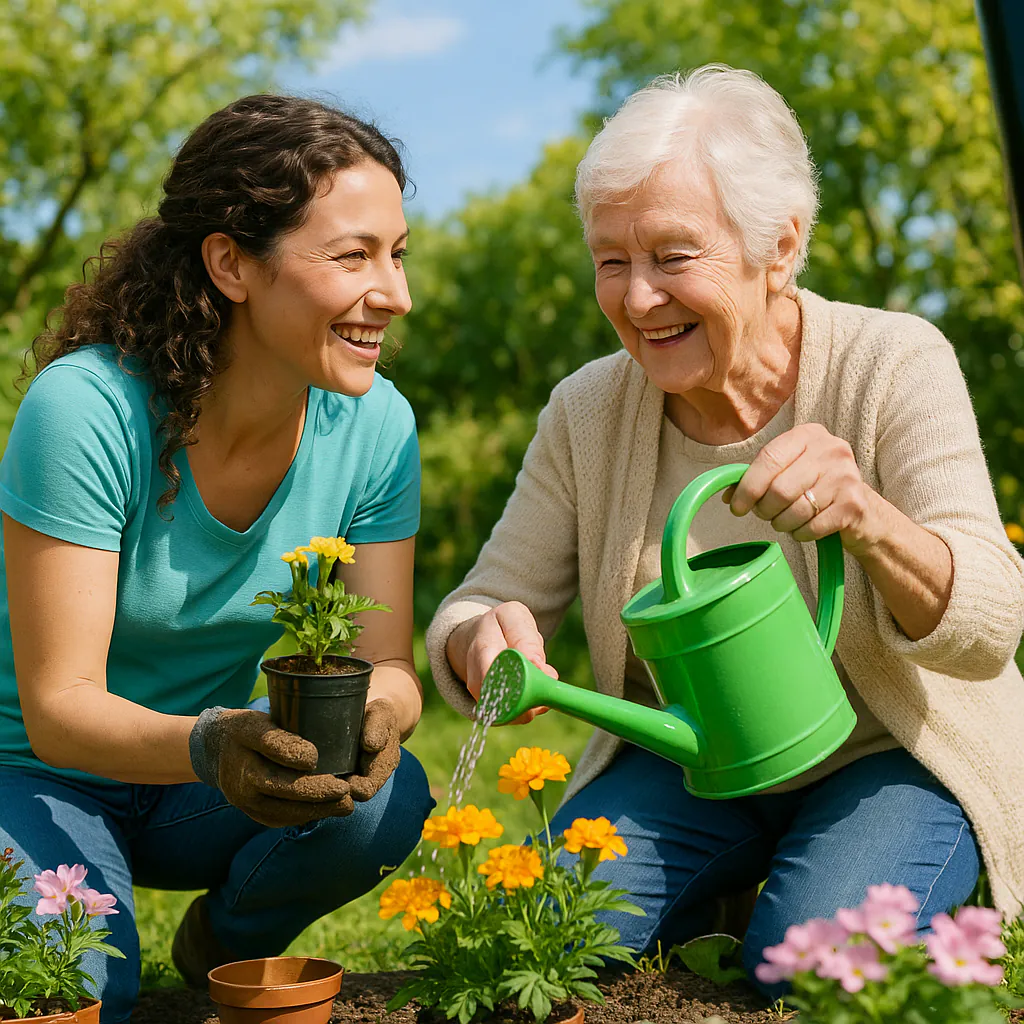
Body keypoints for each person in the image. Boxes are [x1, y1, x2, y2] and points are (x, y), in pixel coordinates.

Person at [426, 65, 1024, 991]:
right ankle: (727, 886)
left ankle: (899, 870)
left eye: (672, 257)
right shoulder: (587, 411)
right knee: (535, 936)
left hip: (893, 752)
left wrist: (868, 518)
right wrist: (478, 640)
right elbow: (482, 600)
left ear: (778, 245)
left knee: (805, 967)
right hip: (694, 761)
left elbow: (992, 624)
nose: (637, 299)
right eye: (611, 262)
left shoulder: (892, 361)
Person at [0, 95, 434, 1023]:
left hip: (209, 783)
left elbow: (391, 663)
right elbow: (58, 710)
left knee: (383, 803)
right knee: (73, 990)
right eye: (353, 256)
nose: (395, 293)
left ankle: (224, 947)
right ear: (231, 264)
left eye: (397, 254)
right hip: (36, 771)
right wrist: (211, 743)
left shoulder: (377, 427)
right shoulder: (88, 410)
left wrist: (376, 719)